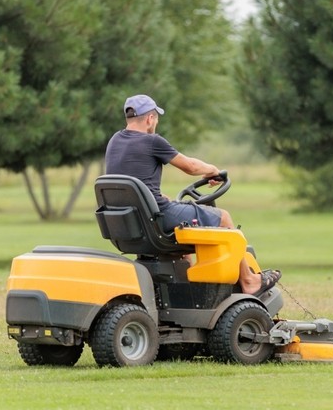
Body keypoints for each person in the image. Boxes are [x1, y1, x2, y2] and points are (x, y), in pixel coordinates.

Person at [105, 94, 280, 296]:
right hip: (157, 218)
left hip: (132, 222)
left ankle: (186, 293)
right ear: (150, 119)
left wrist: (157, 198)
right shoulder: (152, 141)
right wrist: (213, 170)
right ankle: (249, 280)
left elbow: (132, 179)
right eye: (156, 118)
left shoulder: (115, 141)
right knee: (223, 218)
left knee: (185, 238)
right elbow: (190, 166)